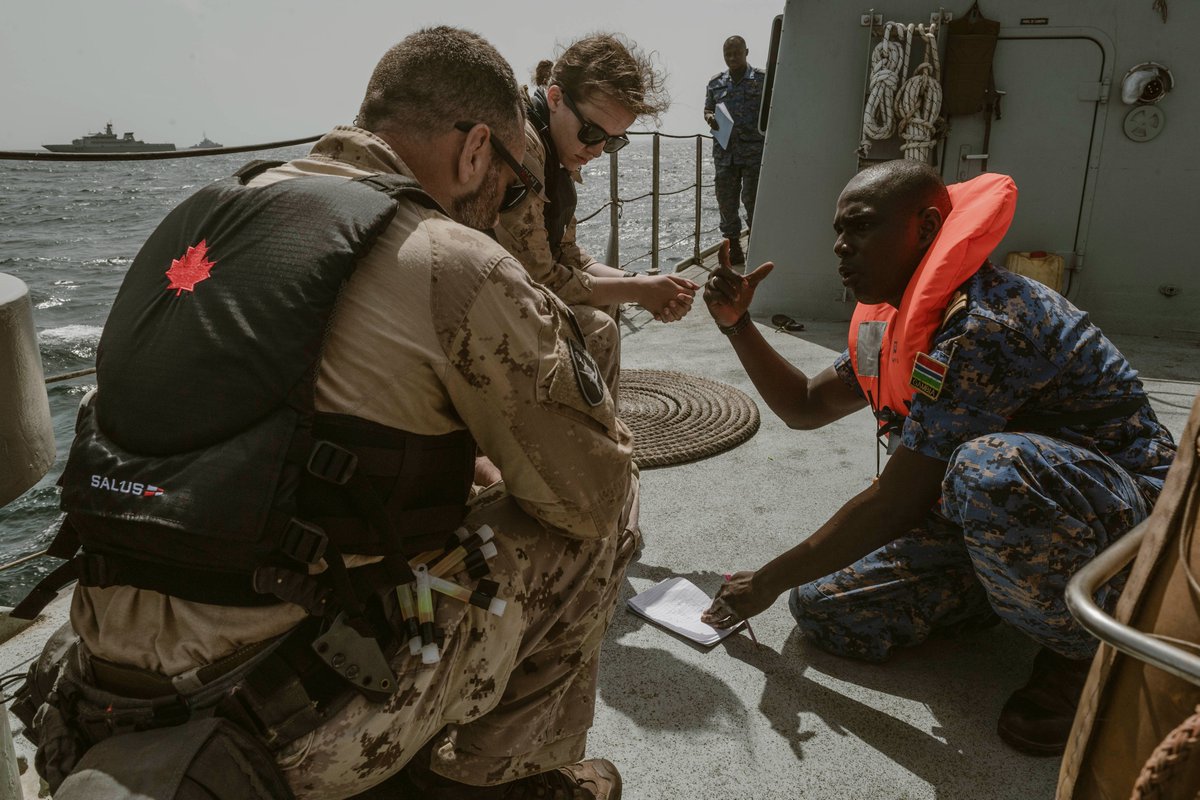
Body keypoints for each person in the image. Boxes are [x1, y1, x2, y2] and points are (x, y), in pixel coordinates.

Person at [18, 26, 636, 800]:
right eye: (513, 187)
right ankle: (498, 780)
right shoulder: (454, 260)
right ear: (477, 151)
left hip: (99, 671)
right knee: (600, 512)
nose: (508, 204)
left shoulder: (209, 212)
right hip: (287, 712)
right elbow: (590, 493)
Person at [700, 160, 1176, 757]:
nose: (841, 246)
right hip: (1007, 512)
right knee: (826, 611)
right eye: (838, 230)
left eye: (862, 228)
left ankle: (1088, 647)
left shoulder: (988, 324)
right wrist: (737, 324)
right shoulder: (894, 322)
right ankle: (1008, 586)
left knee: (989, 470)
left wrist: (763, 583)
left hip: (1125, 514)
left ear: (925, 229)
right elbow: (803, 405)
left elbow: (898, 500)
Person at [496, 33, 697, 387]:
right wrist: (639, 291)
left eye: (613, 140)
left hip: (507, 294)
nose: (599, 150)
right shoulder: (525, 147)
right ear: (555, 97)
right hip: (481, 301)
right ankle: (598, 439)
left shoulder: (555, 145)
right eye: (591, 132)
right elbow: (540, 279)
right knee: (599, 329)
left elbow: (569, 256)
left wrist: (641, 283)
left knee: (608, 303)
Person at [703, 35, 766, 267]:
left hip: (753, 153)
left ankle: (757, 244)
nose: (731, 58)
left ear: (746, 52)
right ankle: (734, 246)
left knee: (752, 200)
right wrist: (709, 117)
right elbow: (708, 108)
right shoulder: (715, 83)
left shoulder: (762, 79)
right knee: (726, 201)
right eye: (727, 54)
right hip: (725, 153)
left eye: (736, 53)